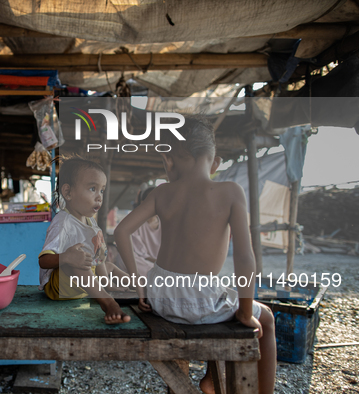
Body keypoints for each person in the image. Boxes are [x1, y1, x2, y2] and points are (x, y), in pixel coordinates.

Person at [114, 117, 276, 394]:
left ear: (172, 158)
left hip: (160, 298)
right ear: (215, 161)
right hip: (201, 301)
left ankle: (212, 379)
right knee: (268, 318)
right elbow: (245, 259)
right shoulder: (230, 192)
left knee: (221, 293)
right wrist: (247, 313)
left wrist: (139, 284)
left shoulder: (162, 192)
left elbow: (120, 232)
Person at [38, 157, 131, 324]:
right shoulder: (63, 223)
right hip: (58, 289)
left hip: (80, 285)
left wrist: (103, 278)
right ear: (68, 192)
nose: (99, 197)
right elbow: (43, 261)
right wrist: (66, 257)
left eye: (102, 190)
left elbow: (99, 258)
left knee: (109, 265)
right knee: (76, 262)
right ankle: (108, 302)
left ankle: (139, 287)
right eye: (92, 188)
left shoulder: (91, 222)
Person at [114, 187, 160, 277]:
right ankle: (156, 276)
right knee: (122, 259)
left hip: (161, 265)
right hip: (145, 263)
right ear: (143, 203)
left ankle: (155, 275)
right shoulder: (135, 223)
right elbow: (141, 254)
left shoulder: (166, 222)